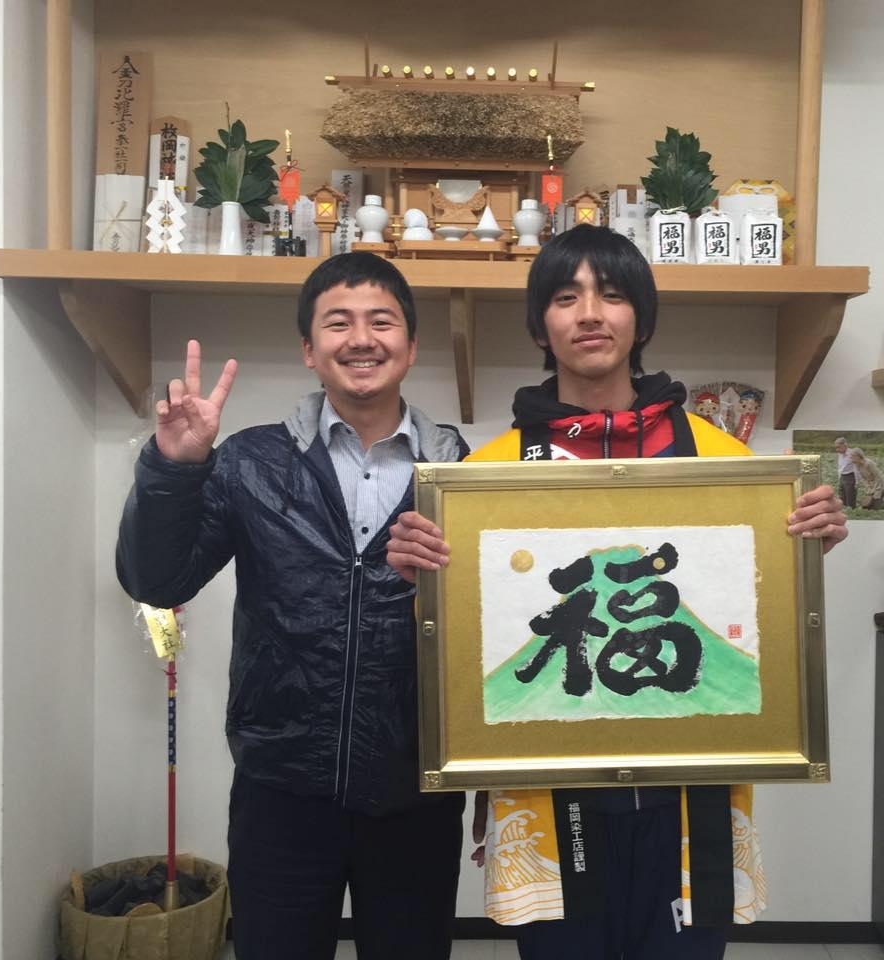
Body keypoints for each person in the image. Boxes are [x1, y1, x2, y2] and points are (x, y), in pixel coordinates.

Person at [386, 225, 847, 959]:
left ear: (643, 318)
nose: (590, 313)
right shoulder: (491, 473)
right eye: (566, 298)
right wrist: (421, 575)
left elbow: (765, 604)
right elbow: (464, 642)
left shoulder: (722, 457)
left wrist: (805, 538)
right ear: (541, 323)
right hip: (550, 794)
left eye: (613, 294)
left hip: (692, 794)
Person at [115, 253, 468, 960]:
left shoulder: (463, 474)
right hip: (280, 790)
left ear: (411, 345)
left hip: (415, 792)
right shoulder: (251, 462)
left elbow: (498, 637)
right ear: (309, 349)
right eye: (338, 323)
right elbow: (158, 579)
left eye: (381, 322)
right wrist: (173, 470)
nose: (361, 339)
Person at [834, 436, 859, 508]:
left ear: (844, 445)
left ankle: (852, 515)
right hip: (842, 477)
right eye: (836, 447)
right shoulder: (840, 454)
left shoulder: (852, 453)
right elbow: (840, 467)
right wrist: (840, 479)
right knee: (842, 498)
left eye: (838, 447)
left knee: (850, 499)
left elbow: (856, 468)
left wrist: (857, 481)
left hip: (850, 477)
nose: (837, 450)